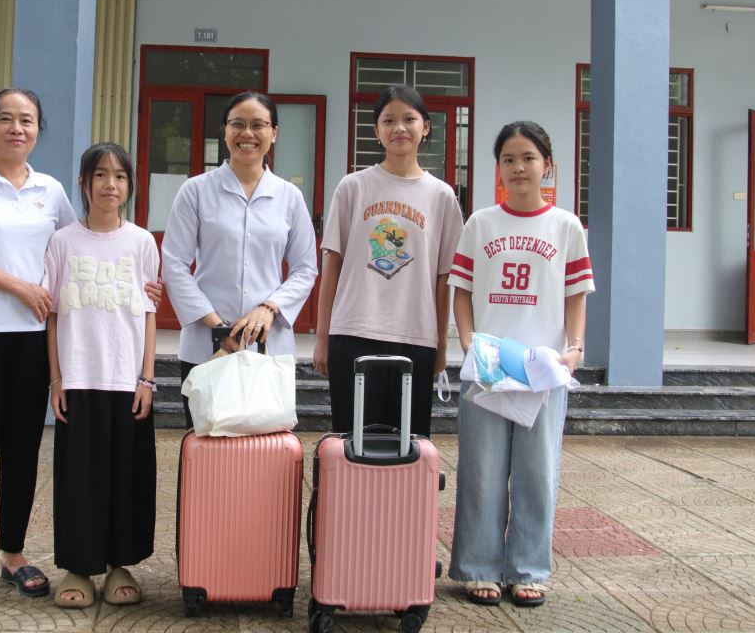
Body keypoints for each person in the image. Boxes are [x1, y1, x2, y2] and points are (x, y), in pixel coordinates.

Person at [0, 88, 161, 608]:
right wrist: (19, 286)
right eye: (6, 119)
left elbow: (85, 249)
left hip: (34, 341)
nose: (17, 128)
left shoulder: (49, 190)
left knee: (22, 452)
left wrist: (143, 288)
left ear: (38, 130)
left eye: (27, 120)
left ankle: (13, 554)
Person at [446, 121, 594, 608]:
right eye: (508, 159)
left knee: (537, 472)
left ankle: (528, 569)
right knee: (482, 470)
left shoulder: (566, 227)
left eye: (528, 157)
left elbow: (576, 295)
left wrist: (575, 348)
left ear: (547, 165)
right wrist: (468, 343)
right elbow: (461, 290)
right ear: (498, 168)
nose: (518, 167)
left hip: (542, 369)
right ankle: (479, 567)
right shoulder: (481, 223)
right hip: (489, 366)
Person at [313, 84, 463, 437]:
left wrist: (441, 346)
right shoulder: (353, 187)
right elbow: (332, 265)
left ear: (425, 127)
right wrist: (322, 337)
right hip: (353, 331)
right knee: (351, 443)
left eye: (409, 119)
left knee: (406, 445)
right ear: (376, 131)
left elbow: (444, 278)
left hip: (415, 336)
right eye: (388, 120)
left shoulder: (441, 196)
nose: (399, 128)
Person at [45, 142, 159, 609]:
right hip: (79, 378)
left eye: (120, 176)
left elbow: (149, 312)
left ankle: (119, 566)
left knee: (127, 477)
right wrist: (56, 380)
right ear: (83, 183)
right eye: (100, 175)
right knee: (79, 477)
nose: (110, 185)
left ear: (129, 185)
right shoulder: (63, 241)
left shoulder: (142, 242)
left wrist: (147, 379)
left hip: (127, 381)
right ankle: (78, 566)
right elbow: (53, 315)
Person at [163, 90, 318, 427]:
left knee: (265, 447)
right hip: (206, 348)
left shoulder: (289, 197)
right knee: (206, 441)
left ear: (274, 133)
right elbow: (174, 263)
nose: (247, 133)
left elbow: (306, 268)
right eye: (238, 124)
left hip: (269, 348)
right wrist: (218, 327)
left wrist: (269, 308)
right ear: (225, 130)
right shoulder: (196, 191)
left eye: (258, 125)